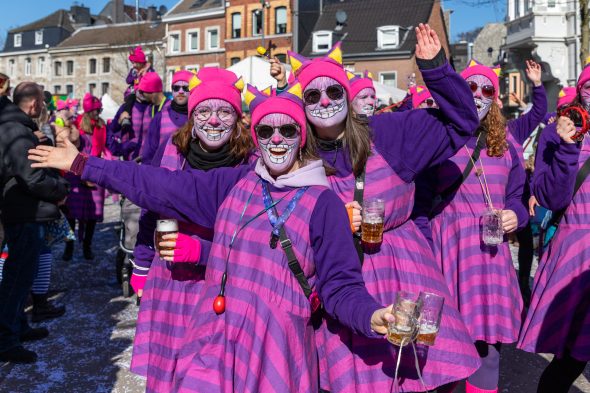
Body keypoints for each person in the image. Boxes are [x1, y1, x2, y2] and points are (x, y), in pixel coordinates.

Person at [29, 82, 396, 393]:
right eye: (266, 131)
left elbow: (341, 285)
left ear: (302, 138)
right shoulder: (239, 183)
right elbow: (158, 185)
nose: (277, 140)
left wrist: (373, 314)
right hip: (216, 341)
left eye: (288, 131)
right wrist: (83, 163)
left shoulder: (323, 203)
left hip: (275, 351)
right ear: (257, 137)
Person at [272, 24, 481, 392]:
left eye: (333, 91)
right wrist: (329, 223)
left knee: (432, 378)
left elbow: (464, 121)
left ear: (346, 95)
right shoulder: (294, 157)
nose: (324, 101)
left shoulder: (388, 134)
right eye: (313, 95)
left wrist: (436, 69)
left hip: (406, 269)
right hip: (341, 282)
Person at [129, 67, 253, 392]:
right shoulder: (172, 150)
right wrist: (142, 263)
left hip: (223, 287)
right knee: (168, 374)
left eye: (224, 111)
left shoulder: (251, 162)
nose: (213, 120)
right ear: (192, 116)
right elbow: (149, 206)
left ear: (237, 117)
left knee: (212, 375)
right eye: (204, 111)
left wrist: (201, 251)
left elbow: (256, 242)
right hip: (169, 280)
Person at [413, 59, 533, 393]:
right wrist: (423, 256)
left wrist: (515, 216)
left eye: (486, 89)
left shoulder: (506, 145)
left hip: (489, 260)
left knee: (488, 351)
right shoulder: (437, 140)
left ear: (495, 98)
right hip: (446, 255)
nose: (478, 94)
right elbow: (419, 205)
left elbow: (518, 199)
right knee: (444, 349)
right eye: (470, 87)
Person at [517, 67, 590, 393]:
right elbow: (552, 197)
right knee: (570, 360)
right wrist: (570, 144)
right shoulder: (554, 131)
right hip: (576, 249)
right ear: (580, 88)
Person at [0, 82, 69, 363]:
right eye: (42, 101)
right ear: (33, 104)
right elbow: (31, 177)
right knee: (17, 278)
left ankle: (18, 327)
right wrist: (60, 190)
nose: (44, 106)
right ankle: (5, 339)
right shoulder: (15, 129)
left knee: (22, 276)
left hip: (26, 210)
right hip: (24, 211)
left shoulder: (18, 126)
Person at [62, 93, 107, 260]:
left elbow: (107, 146)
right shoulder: (77, 125)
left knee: (92, 214)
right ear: (89, 112)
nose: (99, 113)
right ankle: (69, 247)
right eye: (96, 110)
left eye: (100, 110)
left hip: (95, 173)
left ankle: (87, 245)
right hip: (76, 172)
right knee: (71, 215)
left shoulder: (101, 127)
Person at [141, 70, 192, 164]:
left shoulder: (198, 117)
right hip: (162, 174)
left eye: (185, 88)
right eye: (176, 88)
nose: (180, 91)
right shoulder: (160, 117)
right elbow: (149, 153)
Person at [137, 72, 169, 161]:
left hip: (163, 163)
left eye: (142, 92)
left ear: (151, 91)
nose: (141, 95)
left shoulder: (170, 108)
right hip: (147, 162)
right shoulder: (148, 109)